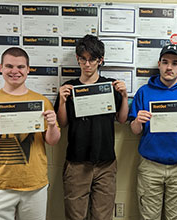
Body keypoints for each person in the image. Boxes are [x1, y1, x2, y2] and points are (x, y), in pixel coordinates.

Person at [54, 34, 128, 220]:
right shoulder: (69, 87)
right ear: (77, 60)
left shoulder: (109, 86)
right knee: (75, 215)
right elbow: (62, 123)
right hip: (77, 162)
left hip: (105, 162)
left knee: (103, 216)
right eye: (83, 59)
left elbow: (121, 119)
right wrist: (62, 101)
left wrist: (125, 97)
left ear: (100, 60)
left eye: (92, 59)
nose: (87, 64)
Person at [0, 47, 60, 220]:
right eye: (9, 66)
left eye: (20, 67)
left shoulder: (42, 102)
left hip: (34, 184)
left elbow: (52, 141)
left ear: (28, 69)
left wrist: (53, 125)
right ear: (0, 67)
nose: (15, 71)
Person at [129, 44, 177, 219]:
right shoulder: (144, 92)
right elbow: (134, 131)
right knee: (149, 217)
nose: (169, 67)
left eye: (174, 63)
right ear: (159, 64)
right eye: (165, 62)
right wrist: (137, 121)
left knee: (175, 217)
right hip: (150, 166)